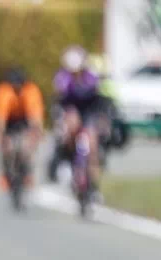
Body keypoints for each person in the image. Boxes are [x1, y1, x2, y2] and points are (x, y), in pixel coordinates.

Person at [53, 45, 103, 188]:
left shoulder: (91, 75)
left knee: (92, 146)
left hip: (88, 111)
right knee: (69, 129)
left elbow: (98, 91)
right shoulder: (63, 77)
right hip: (71, 109)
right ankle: (67, 161)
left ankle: (93, 186)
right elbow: (60, 94)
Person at [0, 66, 45, 190]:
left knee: (27, 146)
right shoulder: (3, 91)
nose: (17, 88)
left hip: (24, 119)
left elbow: (35, 116)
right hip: (8, 121)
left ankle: (28, 172)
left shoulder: (31, 90)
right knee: (6, 146)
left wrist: (37, 133)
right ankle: (5, 173)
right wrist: (0, 135)